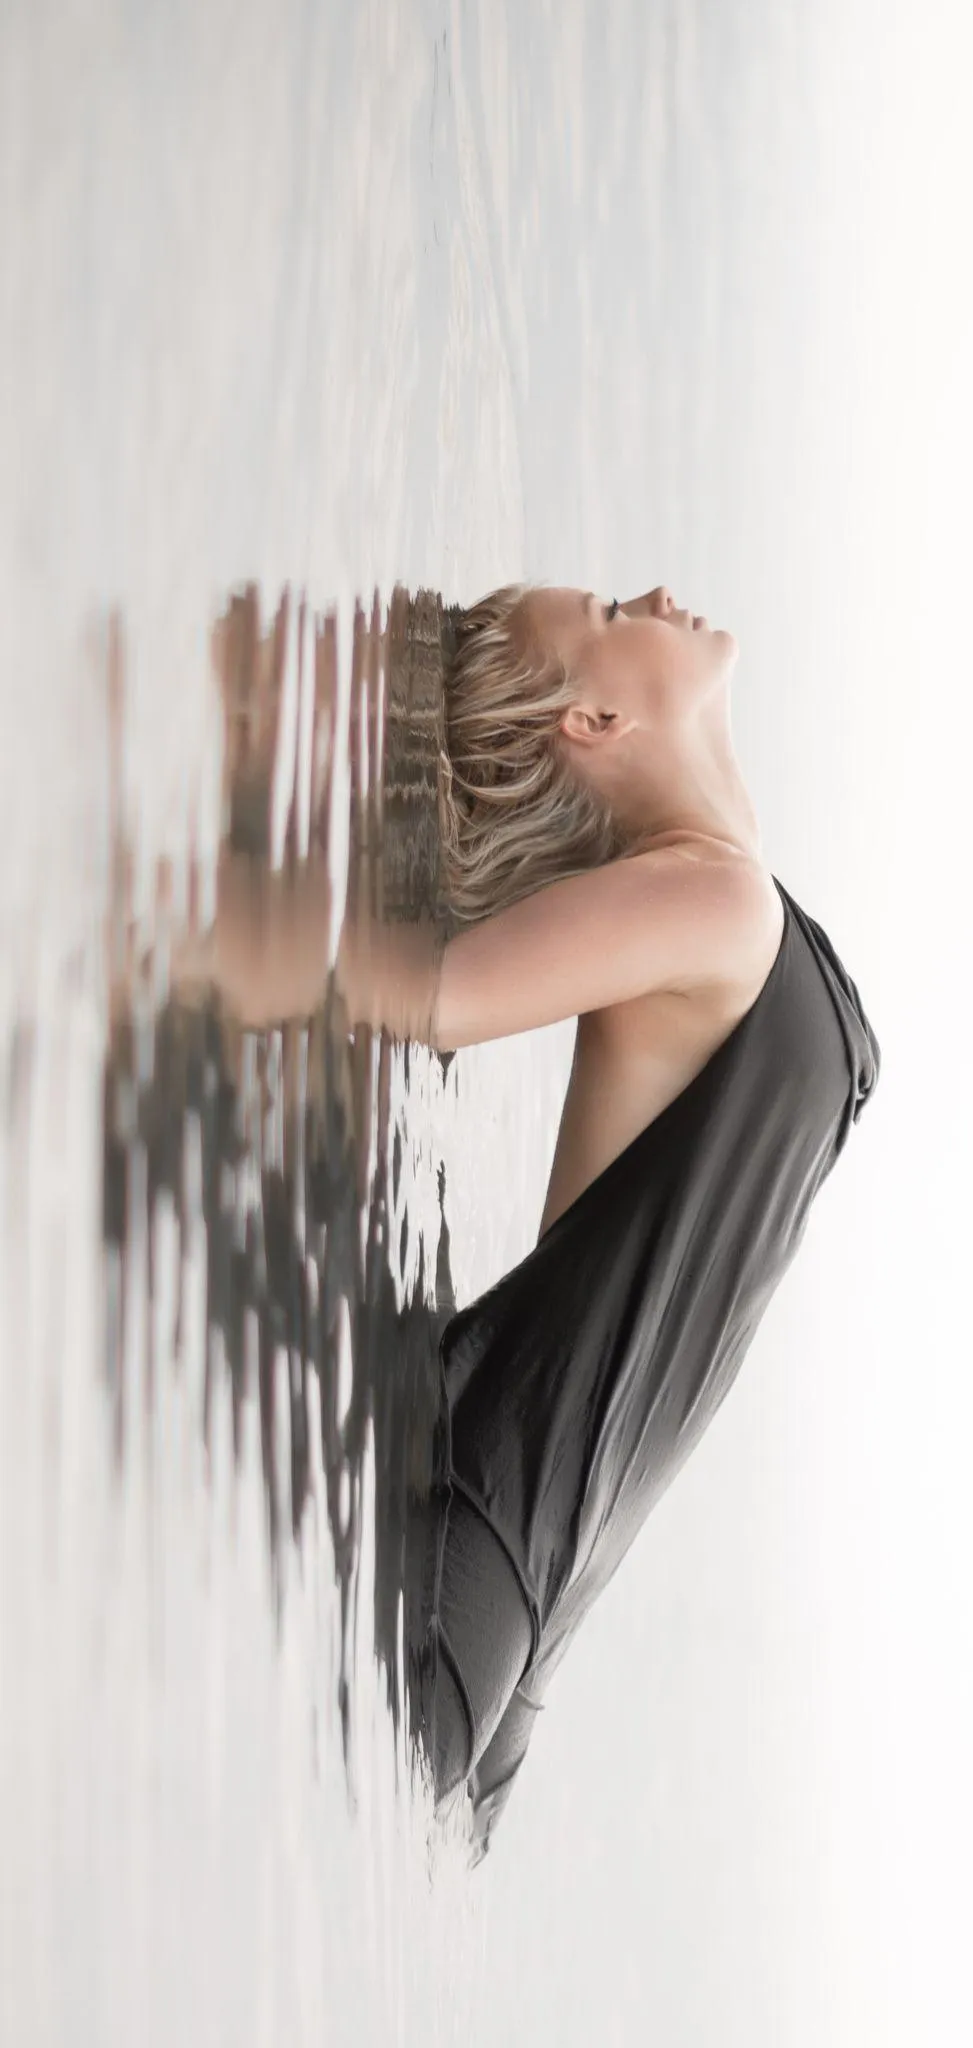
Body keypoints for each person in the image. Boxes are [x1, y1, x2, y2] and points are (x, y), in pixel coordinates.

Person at [193, 581, 880, 1859]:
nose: (662, 594)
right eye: (620, 605)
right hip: (511, 1576)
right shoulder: (710, 900)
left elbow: (583, 1214)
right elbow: (435, 994)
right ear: (597, 714)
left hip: (508, 1563)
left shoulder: (719, 896)